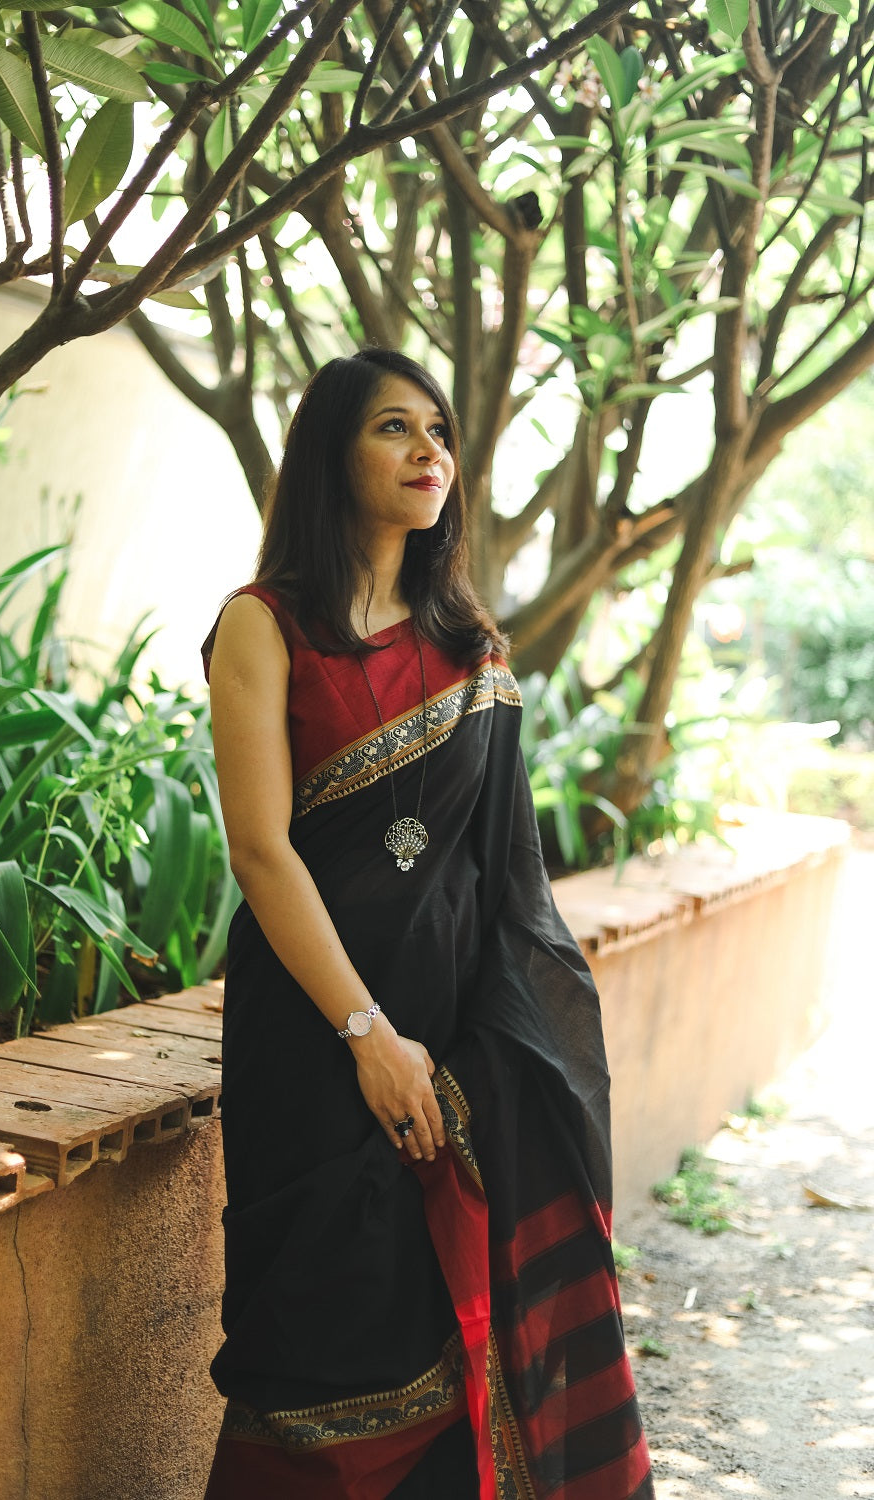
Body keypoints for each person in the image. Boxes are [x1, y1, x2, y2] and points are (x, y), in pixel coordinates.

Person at [201, 348, 655, 1500]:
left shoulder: (471, 652)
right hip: (311, 1044)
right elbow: (261, 849)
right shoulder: (264, 627)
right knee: (313, 1337)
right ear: (330, 454)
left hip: (457, 1051)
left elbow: (513, 890)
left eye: (439, 433)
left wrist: (485, 1067)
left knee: (446, 1341)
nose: (428, 454)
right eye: (394, 429)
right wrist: (366, 1035)